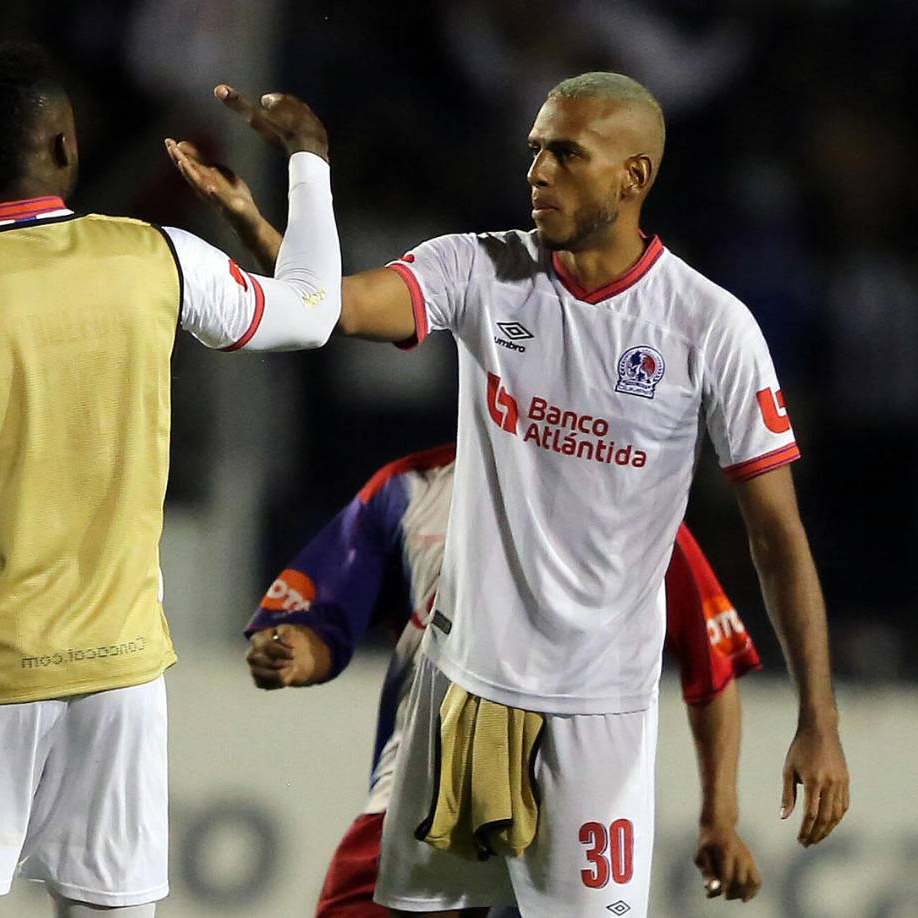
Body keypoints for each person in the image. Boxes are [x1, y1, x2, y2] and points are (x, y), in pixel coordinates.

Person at [169, 71, 849, 917]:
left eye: (567, 154)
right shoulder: (478, 268)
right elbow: (325, 309)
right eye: (535, 151)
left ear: (633, 177)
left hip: (597, 713)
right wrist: (301, 170)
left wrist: (816, 719)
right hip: (461, 691)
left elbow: (776, 535)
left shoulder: (707, 327)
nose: (539, 171)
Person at [0, 43, 341, 918]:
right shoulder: (157, 258)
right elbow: (313, 313)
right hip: (118, 672)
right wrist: (309, 166)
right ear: (66, 147)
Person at [245, 444, 764, 912]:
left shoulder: (632, 504)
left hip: (569, 826)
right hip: (424, 803)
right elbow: (320, 625)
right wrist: (291, 654)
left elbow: (712, 669)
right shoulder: (412, 488)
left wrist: (720, 817)